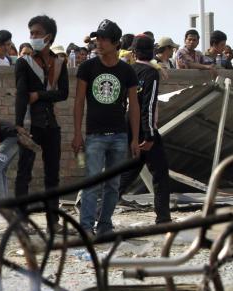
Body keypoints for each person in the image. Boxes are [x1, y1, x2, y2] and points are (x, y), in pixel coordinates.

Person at [72, 19, 141, 235]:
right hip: (94, 136)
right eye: (97, 39)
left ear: (115, 43)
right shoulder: (87, 67)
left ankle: (104, 226)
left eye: (103, 39)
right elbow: (79, 101)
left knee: (113, 185)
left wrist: (135, 137)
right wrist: (77, 134)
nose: (98, 43)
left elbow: (134, 105)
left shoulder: (127, 71)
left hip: (119, 136)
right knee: (91, 184)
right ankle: (86, 228)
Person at [15, 15, 69, 228]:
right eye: (31, 33)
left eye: (37, 33)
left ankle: (52, 220)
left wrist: (39, 95)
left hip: (51, 125)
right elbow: (21, 95)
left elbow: (63, 93)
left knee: (52, 176)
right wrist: (18, 125)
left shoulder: (59, 62)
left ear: (49, 37)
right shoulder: (24, 62)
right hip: (30, 124)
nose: (33, 37)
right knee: (24, 173)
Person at [119, 35, 171, 225]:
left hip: (129, 124)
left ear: (134, 52)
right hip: (144, 128)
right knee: (160, 174)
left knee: (131, 168)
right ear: (152, 52)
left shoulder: (130, 71)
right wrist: (149, 134)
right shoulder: (151, 74)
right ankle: (164, 219)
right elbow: (148, 105)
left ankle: (101, 208)